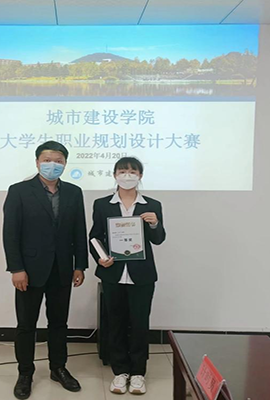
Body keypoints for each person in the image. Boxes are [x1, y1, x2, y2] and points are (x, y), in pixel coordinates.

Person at [3, 141, 88, 400]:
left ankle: (58, 368)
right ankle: (25, 373)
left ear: (65, 164)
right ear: (37, 162)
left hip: (62, 268)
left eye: (59, 161)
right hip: (29, 270)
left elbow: (79, 231)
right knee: (26, 325)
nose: (53, 164)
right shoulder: (19, 191)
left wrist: (80, 265)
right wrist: (16, 268)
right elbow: (10, 234)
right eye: (48, 160)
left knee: (59, 323)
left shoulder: (74, 192)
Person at [89, 157, 166, 395]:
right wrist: (100, 257)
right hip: (113, 273)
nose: (127, 175)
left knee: (140, 323)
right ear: (115, 175)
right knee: (116, 323)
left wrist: (154, 224)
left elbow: (159, 239)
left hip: (141, 275)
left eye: (133, 171)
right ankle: (120, 372)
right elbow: (95, 237)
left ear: (140, 176)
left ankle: (138, 373)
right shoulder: (102, 204)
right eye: (122, 171)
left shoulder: (152, 204)